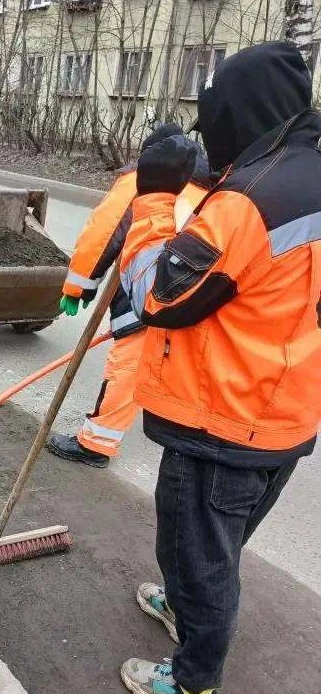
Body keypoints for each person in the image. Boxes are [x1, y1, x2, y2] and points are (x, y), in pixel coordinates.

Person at [118, 41, 321, 694]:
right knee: (218, 544)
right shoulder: (304, 175)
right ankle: (181, 607)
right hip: (284, 416)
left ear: (235, 113)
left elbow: (158, 297)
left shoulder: (247, 204)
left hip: (222, 421)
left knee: (198, 554)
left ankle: (191, 684)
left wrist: (151, 200)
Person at [47, 125, 212, 467]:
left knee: (129, 365)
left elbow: (103, 233)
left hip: (155, 286)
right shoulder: (214, 187)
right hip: (203, 295)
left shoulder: (143, 178)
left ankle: (96, 443)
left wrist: (78, 287)